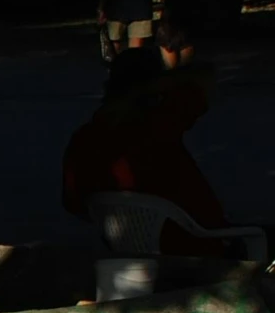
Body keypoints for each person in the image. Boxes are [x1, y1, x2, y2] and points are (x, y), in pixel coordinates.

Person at [62, 49, 235, 258]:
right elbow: (204, 73)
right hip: (196, 242)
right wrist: (150, 87)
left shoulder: (85, 138)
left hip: (129, 249)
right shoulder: (158, 125)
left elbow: (73, 202)